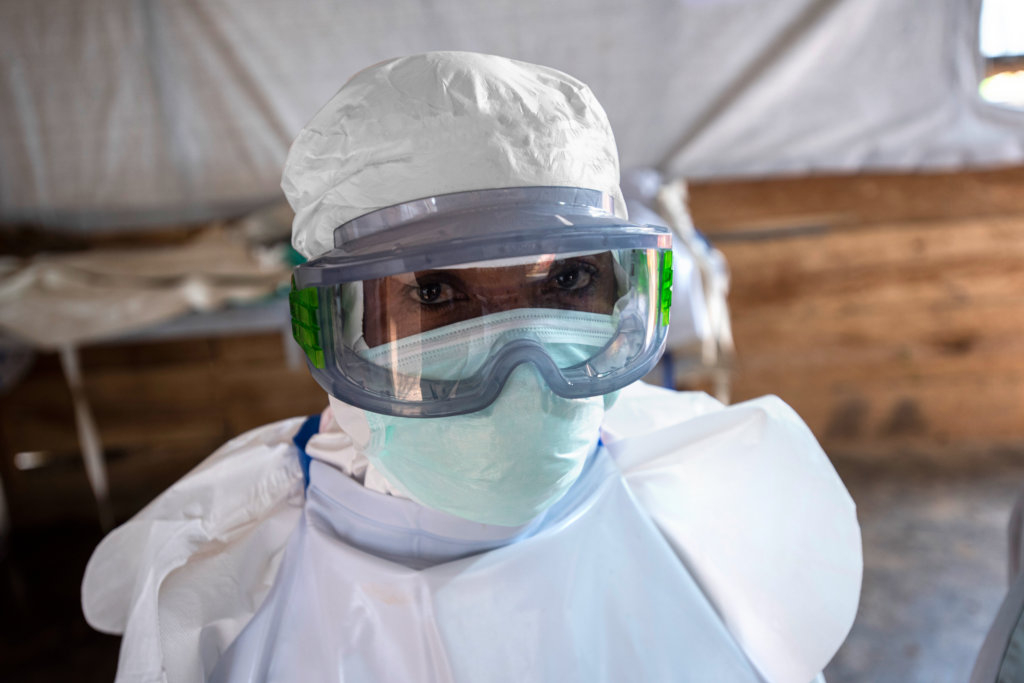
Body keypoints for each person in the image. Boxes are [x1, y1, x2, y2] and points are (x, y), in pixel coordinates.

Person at [82, 51, 862, 683]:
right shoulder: (229, 598)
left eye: (565, 281)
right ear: (331, 328)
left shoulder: (715, 522)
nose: (518, 365)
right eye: (434, 290)